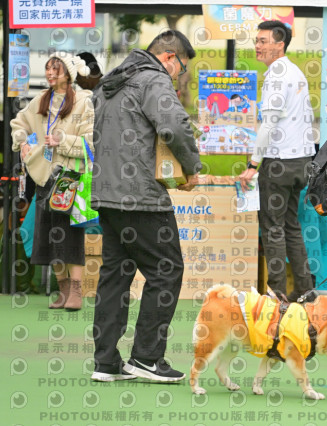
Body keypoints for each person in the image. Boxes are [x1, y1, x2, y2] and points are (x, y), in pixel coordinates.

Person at [90, 30, 201, 382]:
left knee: (115, 275)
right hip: (141, 197)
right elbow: (174, 127)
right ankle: (147, 358)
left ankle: (106, 362)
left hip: (107, 193)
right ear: (169, 57)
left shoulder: (111, 80)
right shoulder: (153, 79)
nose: (179, 75)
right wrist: (192, 167)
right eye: (181, 67)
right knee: (167, 269)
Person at [239, 20, 316, 302]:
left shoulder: (277, 75)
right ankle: (305, 290)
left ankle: (277, 296)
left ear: (279, 44)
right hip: (302, 160)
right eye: (256, 41)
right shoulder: (295, 71)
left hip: (279, 162)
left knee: (272, 229)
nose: (257, 46)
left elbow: (269, 124)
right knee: (291, 226)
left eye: (263, 41)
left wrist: (253, 165)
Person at [11, 51, 94, 311]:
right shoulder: (40, 100)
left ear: (68, 74)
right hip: (44, 179)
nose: (49, 73)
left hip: (71, 179)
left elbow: (91, 143)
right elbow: (18, 123)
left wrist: (62, 140)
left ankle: (76, 291)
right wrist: (22, 142)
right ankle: (63, 289)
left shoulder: (83, 102)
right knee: (49, 236)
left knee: (72, 236)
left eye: (55, 69)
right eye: (48, 68)